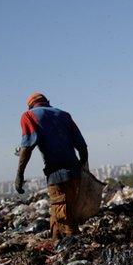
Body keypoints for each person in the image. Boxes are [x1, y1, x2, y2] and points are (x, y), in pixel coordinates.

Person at [14, 92, 89, 238]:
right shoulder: (64, 115)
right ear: (47, 102)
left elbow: (27, 147)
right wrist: (82, 165)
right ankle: (57, 246)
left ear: (30, 106)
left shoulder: (28, 116)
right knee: (59, 213)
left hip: (57, 175)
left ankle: (76, 248)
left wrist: (19, 175)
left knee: (65, 218)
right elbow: (82, 145)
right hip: (74, 173)